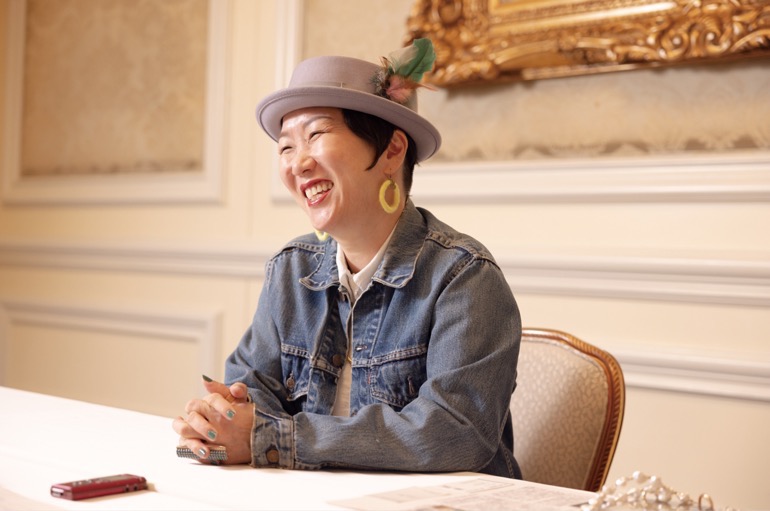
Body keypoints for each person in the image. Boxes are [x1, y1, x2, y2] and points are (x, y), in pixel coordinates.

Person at [172, 39, 522, 478]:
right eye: (285, 147)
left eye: (316, 135)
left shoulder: (464, 277)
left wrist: (272, 439)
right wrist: (219, 424)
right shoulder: (291, 271)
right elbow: (249, 391)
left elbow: (453, 432)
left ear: (392, 150)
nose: (298, 163)